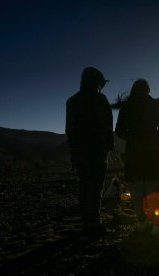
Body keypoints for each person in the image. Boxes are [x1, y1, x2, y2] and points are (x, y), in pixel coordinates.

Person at [115, 79, 159, 233]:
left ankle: (141, 223)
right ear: (148, 90)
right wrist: (152, 136)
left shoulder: (126, 108)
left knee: (137, 190)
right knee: (152, 189)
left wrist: (132, 137)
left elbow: (119, 131)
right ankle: (156, 225)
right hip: (152, 152)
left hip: (134, 152)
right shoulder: (155, 106)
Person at [65, 67, 113, 235]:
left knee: (84, 186)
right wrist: (108, 147)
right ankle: (94, 223)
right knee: (95, 187)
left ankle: (86, 220)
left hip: (79, 152)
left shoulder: (71, 101)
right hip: (97, 151)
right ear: (97, 82)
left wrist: (73, 151)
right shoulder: (100, 99)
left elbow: (68, 130)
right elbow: (107, 127)